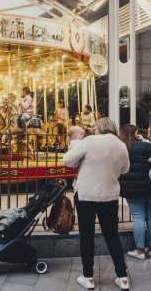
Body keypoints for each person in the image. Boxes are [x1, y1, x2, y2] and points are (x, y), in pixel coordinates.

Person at [63, 118, 130, 290]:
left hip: (87, 195)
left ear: (99, 128)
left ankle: (88, 277)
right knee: (112, 235)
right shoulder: (121, 145)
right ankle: (122, 277)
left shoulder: (90, 141)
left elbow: (68, 160)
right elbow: (125, 169)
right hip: (109, 196)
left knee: (87, 235)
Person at [118, 124, 151, 260]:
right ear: (134, 133)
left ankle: (140, 250)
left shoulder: (120, 148)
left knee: (138, 216)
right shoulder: (146, 146)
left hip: (132, 188)